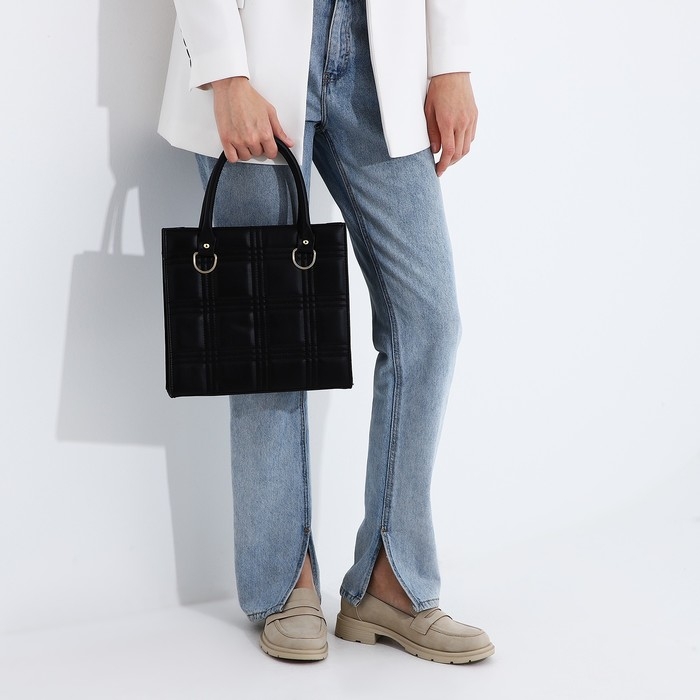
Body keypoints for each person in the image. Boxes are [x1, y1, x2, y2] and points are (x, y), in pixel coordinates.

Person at [159, 0, 494, 664]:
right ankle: (284, 584)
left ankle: (390, 583)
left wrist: (451, 63)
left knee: (429, 322)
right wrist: (225, 72)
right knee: (268, 332)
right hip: (257, 46)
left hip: (382, 53)